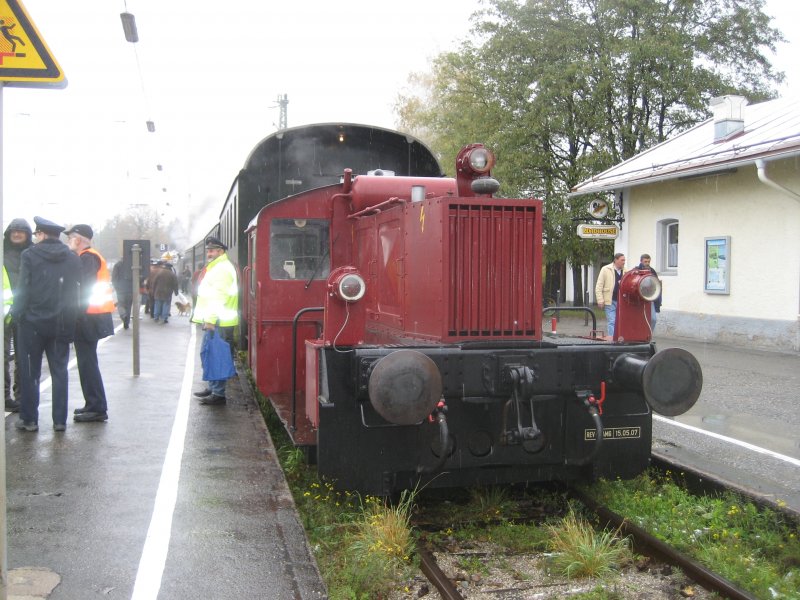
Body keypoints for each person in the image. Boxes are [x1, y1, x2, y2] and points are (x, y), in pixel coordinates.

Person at [13, 217, 82, 432]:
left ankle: (29, 419)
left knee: (31, 372)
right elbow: (75, 293)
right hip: (61, 323)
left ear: (41, 234)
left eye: (36, 234)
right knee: (60, 371)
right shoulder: (72, 258)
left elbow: (23, 289)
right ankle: (59, 421)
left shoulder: (29, 255)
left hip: (33, 324)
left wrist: (17, 314)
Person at [65, 224, 115, 423]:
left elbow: (81, 288)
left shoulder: (88, 257)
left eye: (70, 238)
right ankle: (93, 404)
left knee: (87, 364)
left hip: (88, 318)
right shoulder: (89, 257)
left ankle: (96, 407)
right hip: (91, 317)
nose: (69, 241)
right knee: (87, 363)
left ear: (78, 239)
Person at [192, 237, 239, 406]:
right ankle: (213, 387)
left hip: (219, 321)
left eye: (212, 251)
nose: (209, 253)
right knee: (210, 355)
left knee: (217, 356)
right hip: (216, 320)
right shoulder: (219, 267)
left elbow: (218, 296)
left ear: (221, 251)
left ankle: (218, 394)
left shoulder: (222, 269)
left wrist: (210, 320)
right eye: (208, 251)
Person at [3, 218, 32, 412]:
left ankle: (21, 396)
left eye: (21, 231)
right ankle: (4, 396)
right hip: (4, 313)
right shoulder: (1, 253)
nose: (16, 234)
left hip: (25, 313)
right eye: (13, 231)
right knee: (3, 357)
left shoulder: (32, 254)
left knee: (23, 357)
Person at [595, 252, 627, 339]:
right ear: (616, 260)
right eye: (622, 260)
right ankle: (612, 339)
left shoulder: (626, 271)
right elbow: (599, 285)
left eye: (624, 260)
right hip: (610, 300)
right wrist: (600, 300)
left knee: (621, 321)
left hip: (622, 301)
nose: (624, 262)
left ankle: (620, 338)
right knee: (612, 321)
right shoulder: (605, 269)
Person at [637, 253, 662, 329]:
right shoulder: (636, 270)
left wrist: (658, 300)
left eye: (648, 261)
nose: (647, 263)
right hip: (639, 300)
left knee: (653, 319)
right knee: (639, 320)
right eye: (645, 261)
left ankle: (649, 336)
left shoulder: (652, 271)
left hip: (650, 299)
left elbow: (657, 286)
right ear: (641, 261)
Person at [111, 260, 134, 329]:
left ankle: (123, 315)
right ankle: (126, 322)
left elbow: (114, 277)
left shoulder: (117, 264)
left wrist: (116, 287)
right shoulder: (132, 264)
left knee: (120, 304)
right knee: (129, 306)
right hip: (130, 289)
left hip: (120, 289)